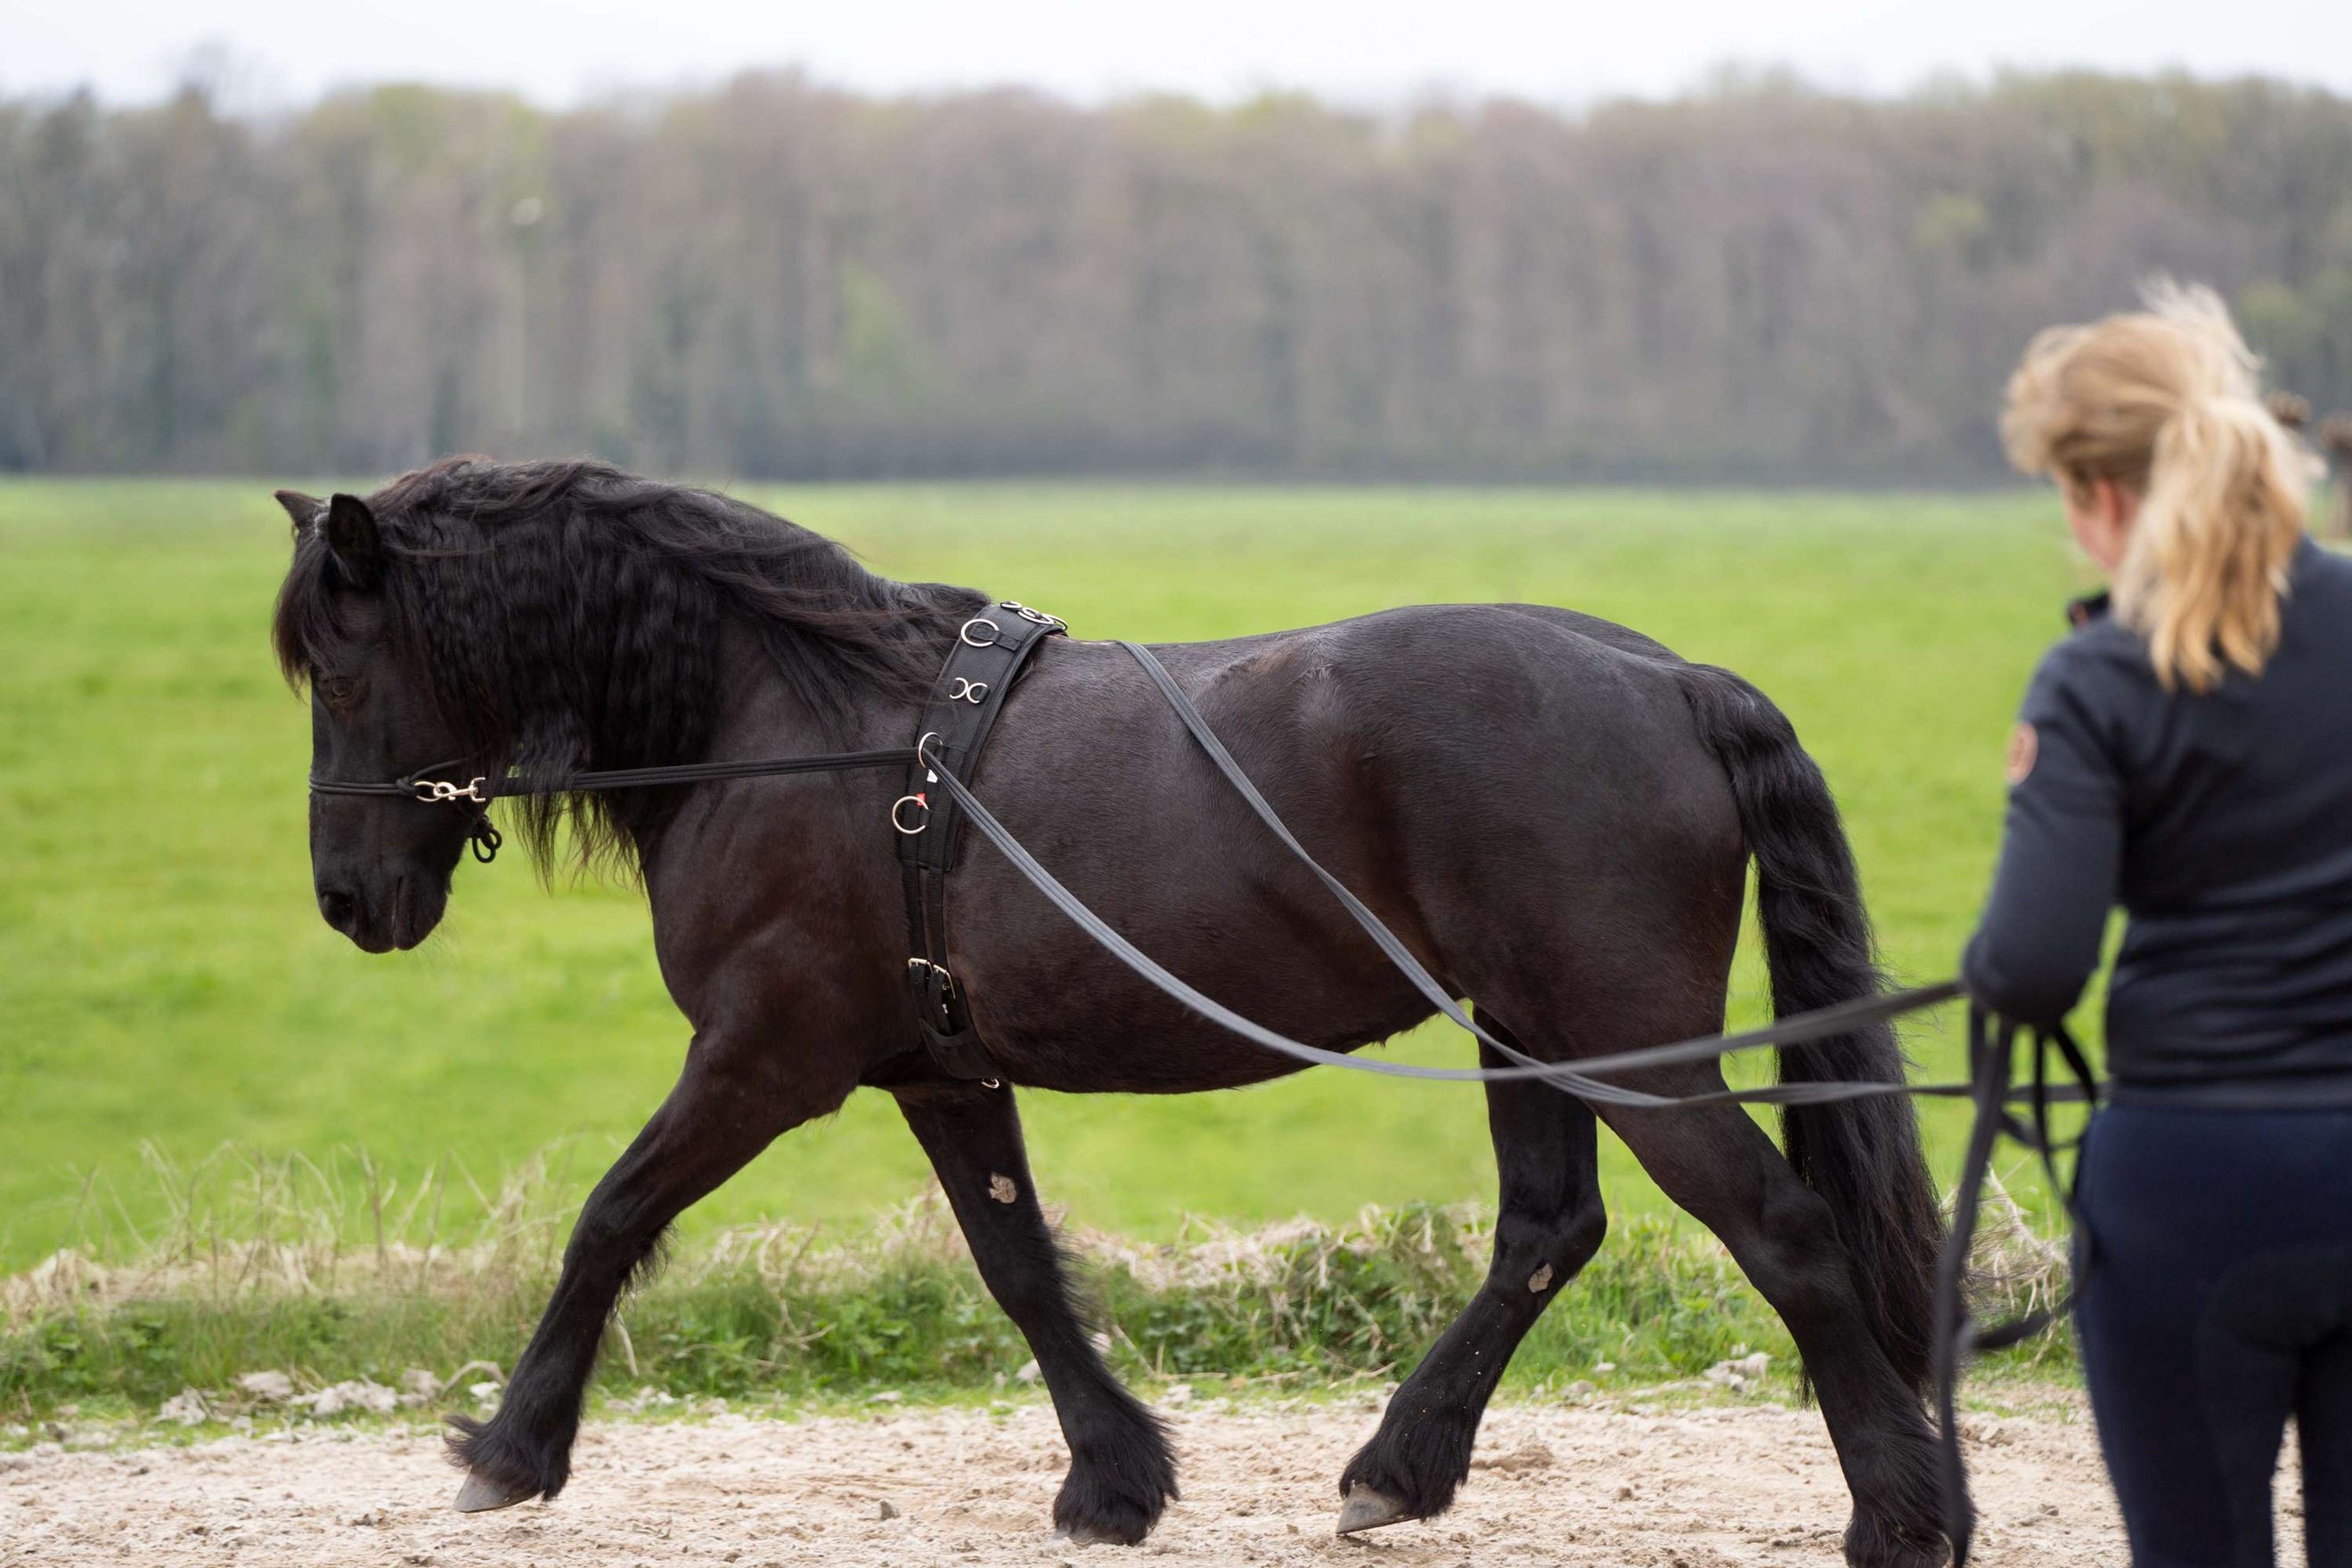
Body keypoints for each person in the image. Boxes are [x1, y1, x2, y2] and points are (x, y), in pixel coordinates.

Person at [1964, 282, 2352, 1566]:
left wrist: (1985, 967)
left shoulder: (2098, 676)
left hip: (2192, 1186)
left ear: (2102, 496)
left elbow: (2034, 966)